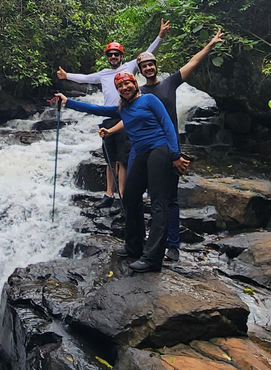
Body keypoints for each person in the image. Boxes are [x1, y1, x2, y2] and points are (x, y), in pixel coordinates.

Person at [53, 72, 190, 273]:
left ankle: (153, 258)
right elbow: (97, 109)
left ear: (135, 84)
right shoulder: (122, 109)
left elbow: (168, 125)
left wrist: (175, 154)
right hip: (142, 153)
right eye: (120, 86)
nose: (124, 87)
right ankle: (134, 246)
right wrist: (68, 102)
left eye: (127, 83)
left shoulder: (149, 99)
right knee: (130, 197)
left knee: (159, 202)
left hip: (160, 150)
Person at [112, 28, 225, 262]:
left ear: (155, 66)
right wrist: (110, 130)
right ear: (140, 72)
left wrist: (211, 44)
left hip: (167, 148)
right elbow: (128, 118)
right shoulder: (137, 93)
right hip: (143, 149)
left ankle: (172, 246)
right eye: (144, 67)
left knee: (167, 198)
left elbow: (193, 62)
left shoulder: (169, 84)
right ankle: (140, 243)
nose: (148, 69)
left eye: (151, 65)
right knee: (136, 195)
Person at [56, 20, 171, 214]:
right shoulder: (103, 74)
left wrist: (160, 36)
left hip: (125, 114)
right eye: (110, 54)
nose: (114, 57)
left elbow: (147, 53)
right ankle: (109, 194)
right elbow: (85, 78)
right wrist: (67, 76)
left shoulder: (130, 67)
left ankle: (122, 196)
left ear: (121, 56)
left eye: (116, 54)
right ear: (107, 57)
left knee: (123, 159)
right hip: (108, 116)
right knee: (110, 159)